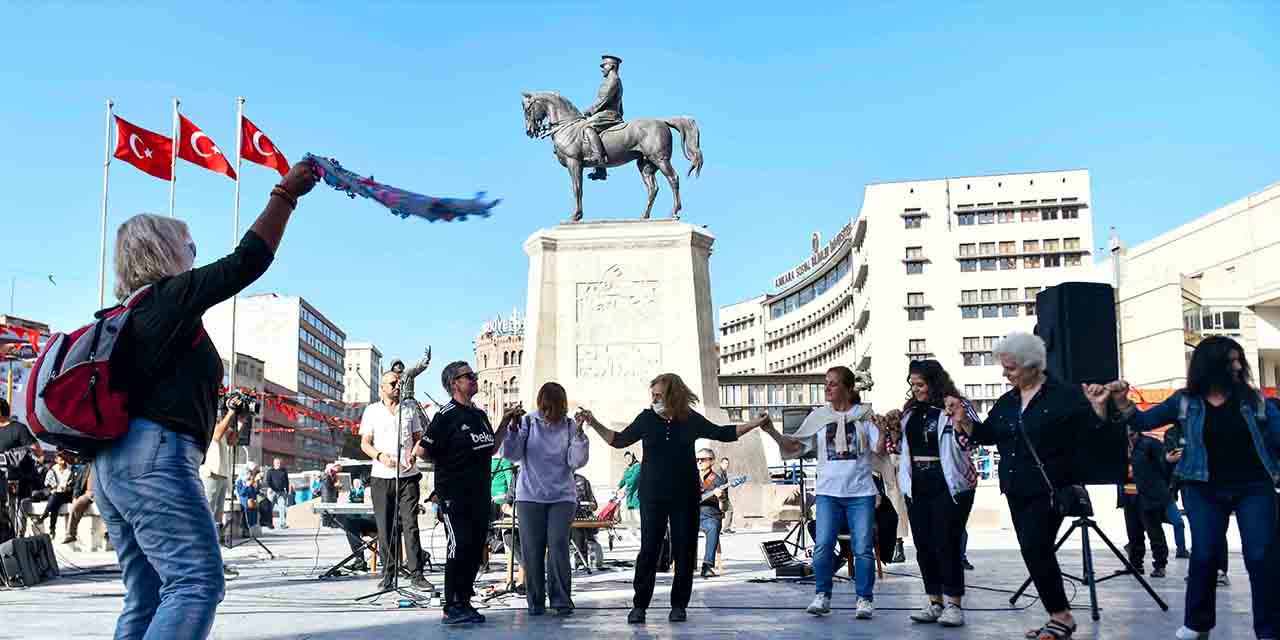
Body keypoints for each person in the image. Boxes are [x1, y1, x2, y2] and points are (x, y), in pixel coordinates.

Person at [91, 162, 317, 639]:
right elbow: (247, 261)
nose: (194, 253)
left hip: (111, 464)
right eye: (187, 244)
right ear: (164, 252)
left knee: (148, 592)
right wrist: (285, 194)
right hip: (155, 456)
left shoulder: (122, 315)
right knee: (197, 580)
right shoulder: (169, 297)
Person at [1108, 336, 1280, 640]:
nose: (1238, 367)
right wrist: (1121, 402)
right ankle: (1198, 624)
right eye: (1230, 361)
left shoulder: (1254, 400)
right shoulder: (1184, 400)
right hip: (1202, 488)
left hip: (1254, 487)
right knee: (1205, 554)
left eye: (1239, 360)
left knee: (1261, 556)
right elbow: (1144, 420)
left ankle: (1269, 630)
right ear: (1210, 366)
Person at [953, 331, 1114, 640]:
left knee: (1035, 548)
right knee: (1034, 551)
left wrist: (1099, 408)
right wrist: (964, 420)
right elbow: (987, 435)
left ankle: (1061, 617)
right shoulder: (1009, 400)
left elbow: (1094, 436)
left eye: (1011, 367)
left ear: (1033, 366)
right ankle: (1059, 616)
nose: (1005, 373)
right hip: (1016, 487)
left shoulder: (1064, 395)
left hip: (1049, 486)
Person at [578, 372, 769, 625]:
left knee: (685, 550)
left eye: (659, 395)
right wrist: (593, 422)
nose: (654, 399)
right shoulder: (646, 418)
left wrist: (754, 424)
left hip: (685, 495)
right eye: (653, 395)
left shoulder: (689, 419)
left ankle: (679, 605)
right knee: (649, 550)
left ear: (672, 396)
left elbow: (723, 432)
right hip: (653, 495)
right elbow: (619, 440)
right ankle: (639, 606)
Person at [759, 366, 884, 621]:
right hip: (828, 492)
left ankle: (864, 599)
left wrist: (884, 430)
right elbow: (794, 446)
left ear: (848, 389)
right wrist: (771, 431)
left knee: (862, 548)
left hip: (860, 492)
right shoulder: (818, 417)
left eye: (833, 384)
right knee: (823, 546)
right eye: (826, 383)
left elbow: (880, 450)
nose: (827, 388)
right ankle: (822, 595)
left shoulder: (864, 416)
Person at [414, 360, 521, 626]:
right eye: (468, 376)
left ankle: (464, 600)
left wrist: (506, 422)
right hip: (454, 494)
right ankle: (451, 605)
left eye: (473, 375)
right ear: (454, 383)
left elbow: (491, 448)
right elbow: (422, 451)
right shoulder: (446, 415)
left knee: (475, 550)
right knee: (458, 546)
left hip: (479, 494)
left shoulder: (479, 415)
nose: (474, 379)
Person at [881, 359, 979, 628]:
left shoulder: (956, 404)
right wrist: (891, 429)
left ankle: (954, 604)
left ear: (934, 383)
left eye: (921, 384)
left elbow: (973, 439)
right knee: (924, 545)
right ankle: (934, 601)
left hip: (950, 484)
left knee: (947, 543)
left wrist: (961, 421)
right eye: (912, 385)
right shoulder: (911, 411)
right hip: (918, 485)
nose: (916, 390)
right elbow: (898, 449)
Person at [500, 382, 589, 616]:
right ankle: (535, 602)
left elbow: (576, 462)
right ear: (540, 404)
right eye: (545, 408)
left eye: (554, 409)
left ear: (562, 406)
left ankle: (560, 600)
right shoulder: (528, 421)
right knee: (532, 549)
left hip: (562, 496)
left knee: (558, 545)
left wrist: (580, 434)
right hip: (530, 496)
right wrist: (512, 429)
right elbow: (512, 454)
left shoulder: (570, 426)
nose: (548, 414)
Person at [358, 370, 432, 593]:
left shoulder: (409, 409)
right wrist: (380, 456)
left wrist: (414, 454)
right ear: (382, 388)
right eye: (392, 383)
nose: (397, 386)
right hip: (382, 477)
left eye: (399, 383)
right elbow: (365, 443)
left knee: (411, 525)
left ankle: (416, 573)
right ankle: (389, 573)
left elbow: (420, 439)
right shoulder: (372, 411)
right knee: (385, 526)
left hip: (408, 476)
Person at [1117, 429, 1171, 578]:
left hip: (1147, 495)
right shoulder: (1120, 445)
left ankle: (1160, 565)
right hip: (1128, 494)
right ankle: (1135, 565)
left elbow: (1164, 468)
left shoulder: (1150, 444)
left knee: (1154, 531)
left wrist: (1159, 489)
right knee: (1133, 532)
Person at [199, 399, 241, 580]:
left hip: (221, 474)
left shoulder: (221, 424)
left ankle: (215, 562)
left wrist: (240, 422)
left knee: (216, 520)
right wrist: (231, 413)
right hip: (210, 474)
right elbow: (216, 435)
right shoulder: (207, 422)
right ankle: (205, 563)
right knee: (206, 519)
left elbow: (232, 440)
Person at [0, 397, 42, 541]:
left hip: (16, 483)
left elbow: (38, 451)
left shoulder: (18, 429)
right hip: (1, 484)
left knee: (15, 520)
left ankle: (16, 547)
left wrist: (18, 453)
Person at [581, 54, 624, 181]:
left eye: (603, 65)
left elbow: (603, 100)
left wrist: (589, 111)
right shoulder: (612, 80)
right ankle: (601, 170)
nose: (601, 68)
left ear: (611, 66)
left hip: (609, 114)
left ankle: (598, 159)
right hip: (608, 113)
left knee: (586, 126)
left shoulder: (613, 80)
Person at [696, 448, 727, 578]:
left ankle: (707, 565)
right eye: (697, 459)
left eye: (702, 459)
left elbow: (724, 508)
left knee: (713, 527)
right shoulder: (689, 477)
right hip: (692, 514)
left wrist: (721, 498)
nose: (699, 462)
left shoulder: (718, 481)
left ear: (712, 461)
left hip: (710, 516)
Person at [38, 451, 75, 540]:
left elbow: (74, 485)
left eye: (63, 458)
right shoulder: (53, 470)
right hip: (56, 494)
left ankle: (45, 515)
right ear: (56, 460)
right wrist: (53, 487)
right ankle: (52, 529)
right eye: (60, 458)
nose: (62, 460)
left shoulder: (70, 470)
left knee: (55, 498)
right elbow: (47, 484)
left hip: (67, 495)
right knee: (55, 501)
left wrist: (66, 488)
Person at [572, 472, 604, 570]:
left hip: (580, 517)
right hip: (559, 517)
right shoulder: (553, 480)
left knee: (578, 530)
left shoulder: (582, 480)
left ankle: (581, 561)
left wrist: (588, 505)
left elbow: (594, 504)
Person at [62, 463, 94, 544]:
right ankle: (71, 534)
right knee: (74, 506)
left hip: (103, 493)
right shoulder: (86, 467)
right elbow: (77, 484)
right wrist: (75, 497)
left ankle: (107, 532)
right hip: (88, 493)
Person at [616, 450, 642, 537]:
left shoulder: (638, 466)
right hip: (629, 494)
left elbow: (633, 480)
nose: (628, 459)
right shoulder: (627, 468)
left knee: (637, 513)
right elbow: (624, 479)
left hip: (636, 492)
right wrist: (618, 487)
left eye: (629, 457)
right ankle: (632, 531)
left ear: (633, 457)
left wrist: (625, 489)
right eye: (626, 458)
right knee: (628, 513)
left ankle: (643, 531)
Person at [264, 458, 291, 530]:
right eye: (277, 463)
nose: (278, 464)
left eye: (279, 463)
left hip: (281, 492)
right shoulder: (270, 471)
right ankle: (269, 524)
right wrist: (272, 489)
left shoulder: (284, 471)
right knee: (270, 508)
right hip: (272, 492)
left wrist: (287, 491)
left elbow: (286, 481)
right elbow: (268, 481)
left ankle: (283, 524)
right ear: (274, 463)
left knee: (282, 508)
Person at [236, 463, 261, 531]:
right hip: (244, 499)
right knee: (247, 509)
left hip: (252, 500)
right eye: (247, 474)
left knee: (254, 509)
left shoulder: (252, 481)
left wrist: (257, 486)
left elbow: (256, 492)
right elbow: (241, 493)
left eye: (250, 474)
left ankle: (251, 527)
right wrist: (246, 486)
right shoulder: (240, 482)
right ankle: (246, 528)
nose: (249, 475)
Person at [718, 456, 735, 533]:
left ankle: (726, 528)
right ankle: (720, 529)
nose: (726, 465)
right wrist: (728, 484)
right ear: (721, 464)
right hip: (720, 496)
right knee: (720, 513)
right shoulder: (719, 473)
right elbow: (719, 485)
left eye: (727, 463)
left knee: (729, 510)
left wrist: (730, 484)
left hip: (725, 496)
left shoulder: (724, 472)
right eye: (725, 463)